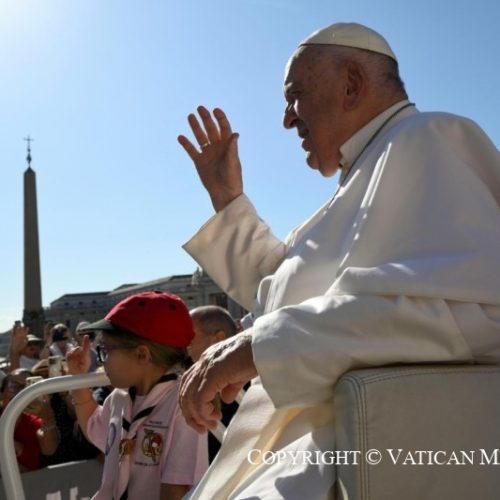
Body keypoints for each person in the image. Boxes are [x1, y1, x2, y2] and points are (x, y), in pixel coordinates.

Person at [176, 22, 500, 499]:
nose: (287, 119)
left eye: (295, 96)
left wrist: (258, 348)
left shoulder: (429, 137)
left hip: (359, 458)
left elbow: (474, 312)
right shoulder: (365, 172)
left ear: (351, 83)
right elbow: (281, 293)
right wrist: (228, 199)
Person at [67, 291, 208, 500]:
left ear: (142, 355)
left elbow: (175, 490)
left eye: (105, 351)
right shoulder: (119, 398)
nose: (102, 360)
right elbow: (94, 427)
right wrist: (78, 381)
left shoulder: (184, 405)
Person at [188, 305, 241, 462]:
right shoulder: (190, 384)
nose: (185, 344)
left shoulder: (255, 384)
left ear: (219, 338)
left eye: (190, 336)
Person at [0, 369, 59, 472]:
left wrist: (48, 418)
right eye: (14, 386)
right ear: (1, 393)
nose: (20, 392)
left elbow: (49, 449)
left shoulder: (34, 421)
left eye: (26, 388)